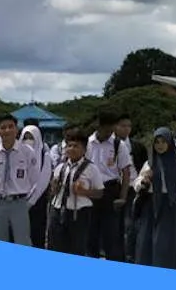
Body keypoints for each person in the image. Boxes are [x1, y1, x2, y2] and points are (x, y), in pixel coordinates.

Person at [134, 127, 176, 268]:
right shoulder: (149, 163)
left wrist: (173, 198)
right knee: (145, 243)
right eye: (157, 142)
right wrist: (144, 181)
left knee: (164, 245)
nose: (160, 145)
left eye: (163, 142)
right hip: (151, 206)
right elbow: (136, 184)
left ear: (170, 143)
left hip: (169, 207)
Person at [0, 114, 37, 245]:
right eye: (3, 127)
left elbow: (34, 178)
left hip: (19, 203)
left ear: (17, 130)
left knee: (22, 240)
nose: (7, 131)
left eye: (10, 127)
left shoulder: (27, 152)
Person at [86, 112, 133, 261]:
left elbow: (126, 172)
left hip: (111, 190)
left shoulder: (119, 144)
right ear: (98, 127)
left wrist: (123, 197)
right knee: (90, 233)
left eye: (111, 129)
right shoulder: (88, 143)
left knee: (112, 236)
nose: (108, 133)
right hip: (92, 191)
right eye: (106, 130)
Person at [49, 128, 102, 256]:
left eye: (76, 146)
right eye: (69, 145)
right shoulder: (60, 167)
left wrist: (84, 191)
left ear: (84, 149)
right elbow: (53, 191)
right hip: (58, 210)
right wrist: (54, 187)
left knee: (76, 249)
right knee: (55, 246)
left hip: (79, 213)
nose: (71, 149)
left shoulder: (91, 168)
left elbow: (100, 193)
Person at [20, 125, 53, 248]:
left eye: (31, 137)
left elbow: (43, 181)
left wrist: (31, 201)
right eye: (25, 137)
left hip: (37, 201)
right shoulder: (17, 153)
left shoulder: (45, 156)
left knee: (36, 234)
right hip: (19, 200)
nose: (28, 140)